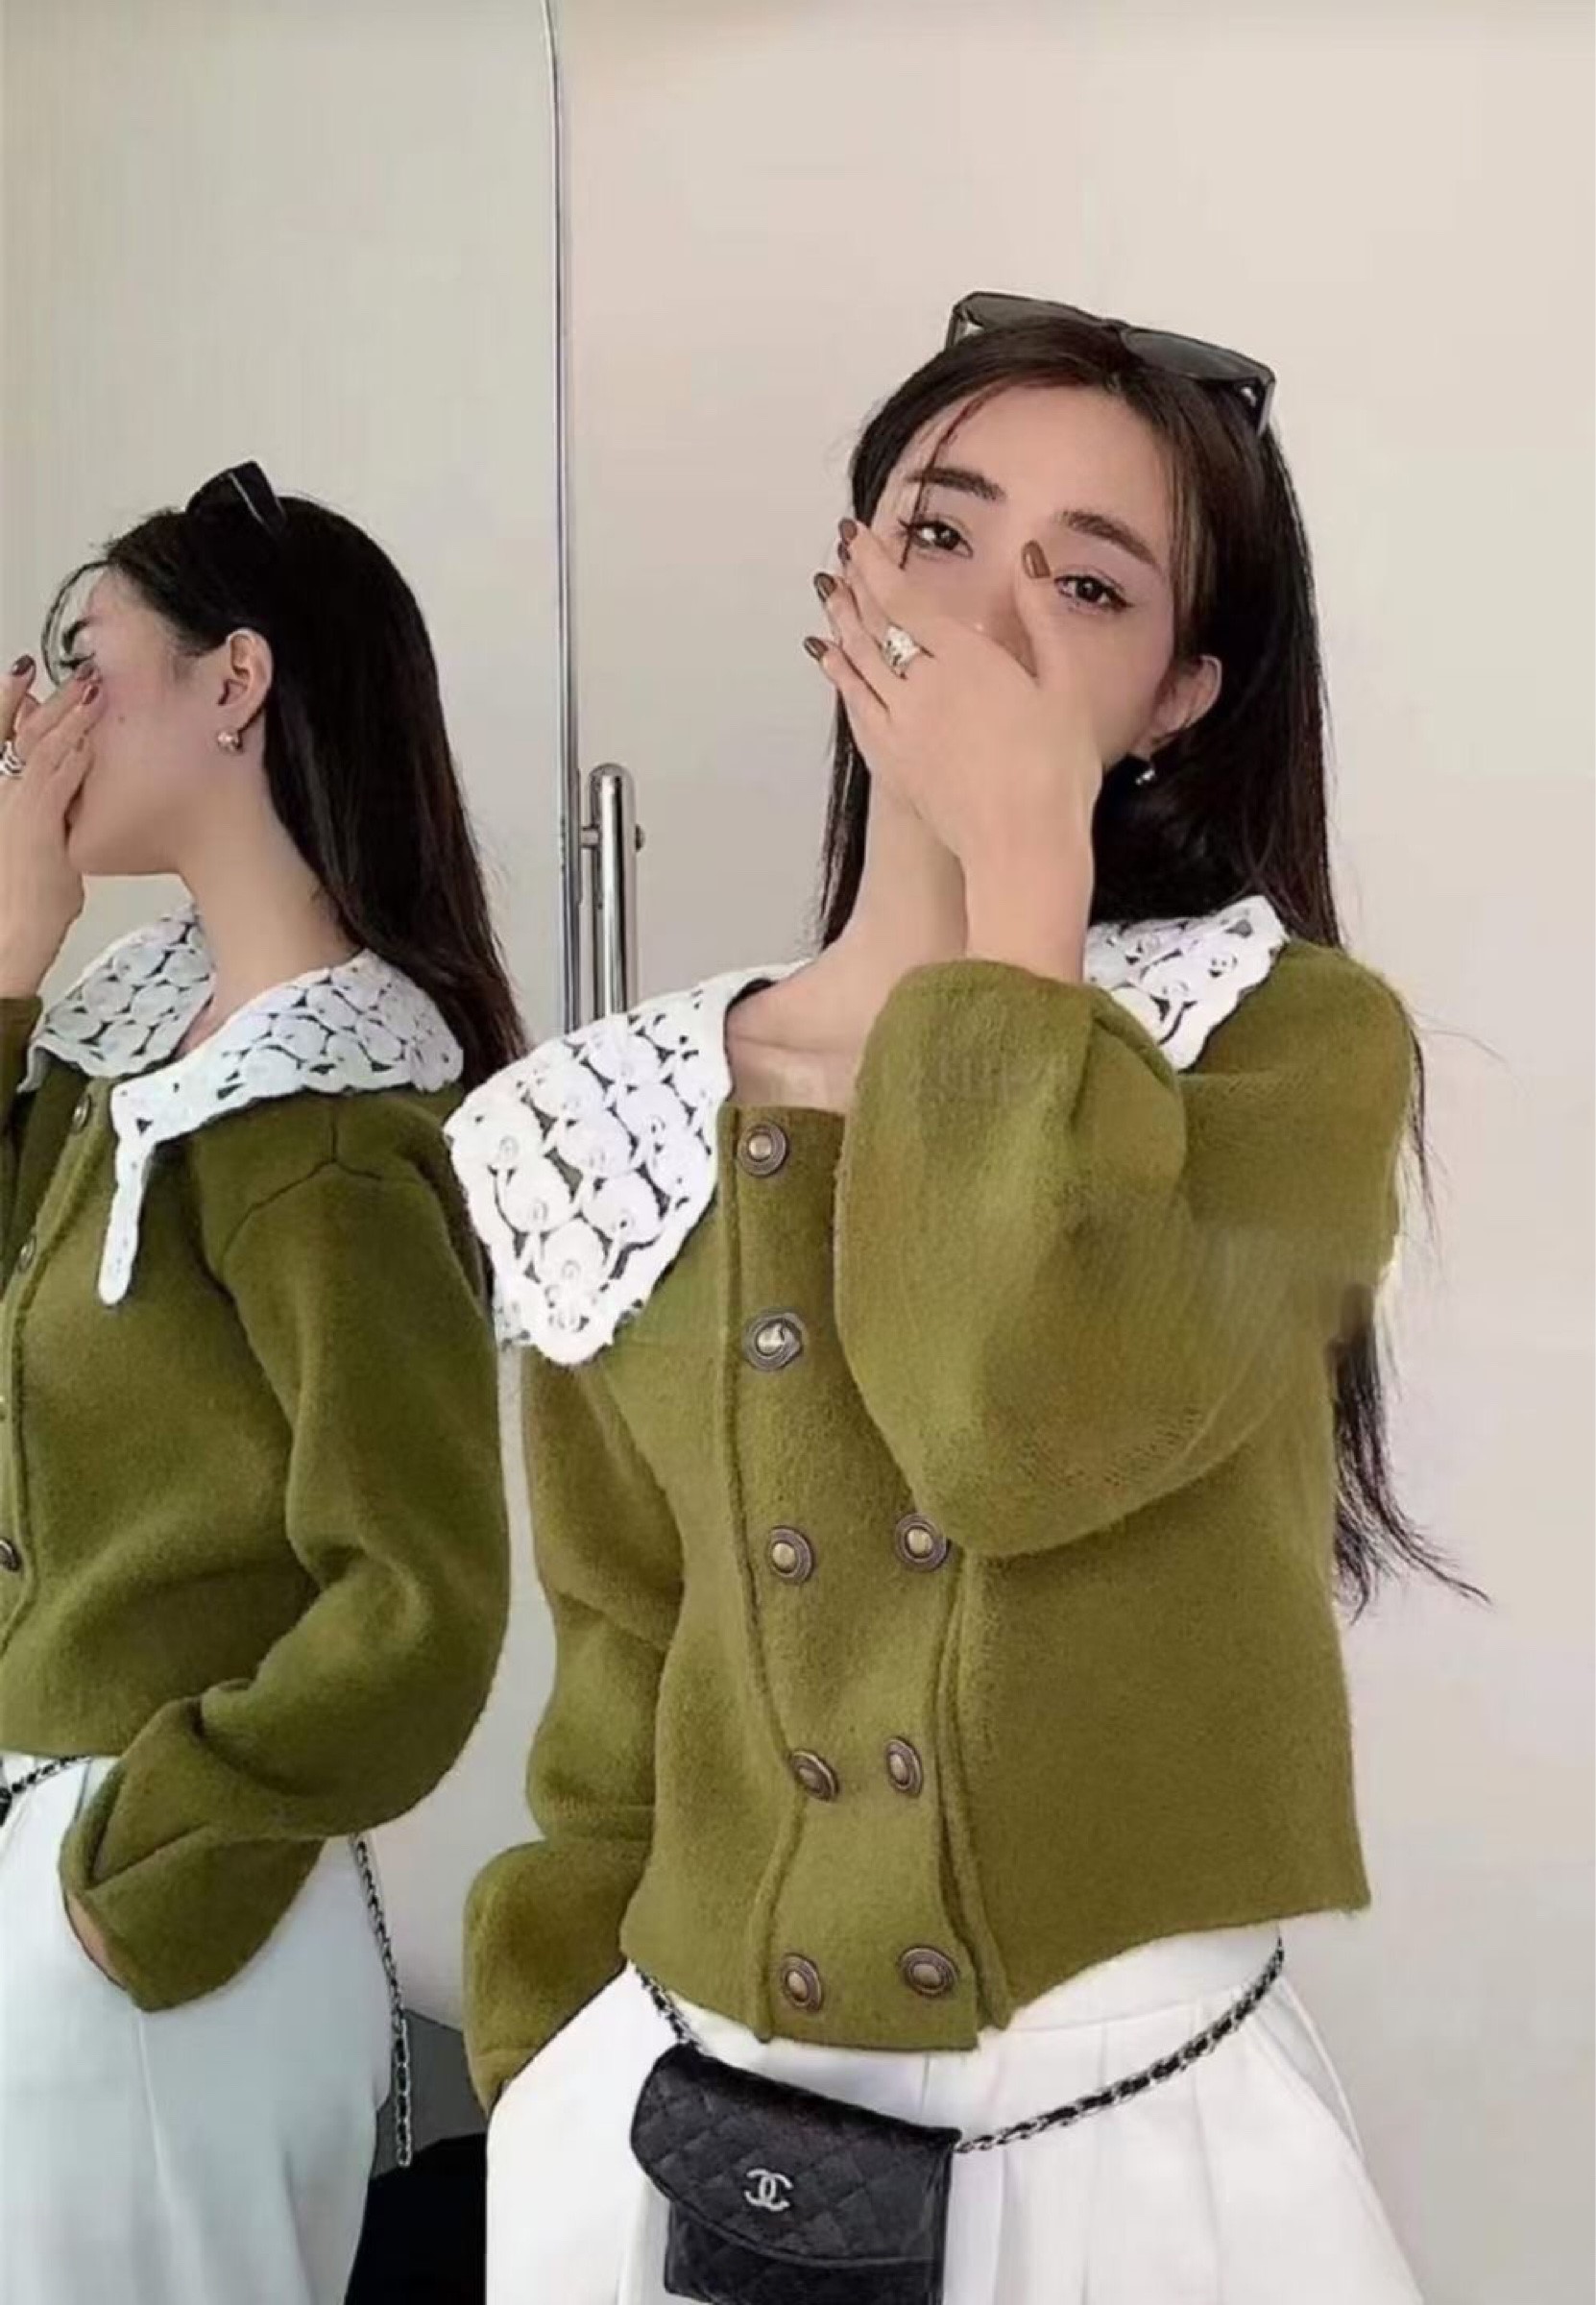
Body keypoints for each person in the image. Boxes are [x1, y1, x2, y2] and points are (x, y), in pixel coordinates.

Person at [447, 302, 1467, 2303]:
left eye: (1085, 586)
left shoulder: (1285, 1054)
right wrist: (544, 2069)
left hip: (1130, 2158)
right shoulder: (602, 1122)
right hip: (666, 2143)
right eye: (939, 534)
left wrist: (1023, 879)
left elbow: (1012, 1431)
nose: (987, 625)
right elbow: (617, 1670)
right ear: (844, 582)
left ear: (1179, 694)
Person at [0, 463, 517, 2305]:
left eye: (84, 658)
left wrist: (140, 1869)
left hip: (164, 1937)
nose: (39, 713)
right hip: (81, 1897)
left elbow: (421, 1603)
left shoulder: (326, 1126)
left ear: (235, 681)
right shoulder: (135, 1040)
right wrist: (11, 957)